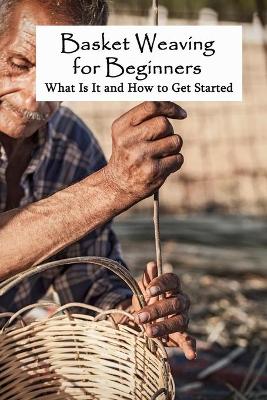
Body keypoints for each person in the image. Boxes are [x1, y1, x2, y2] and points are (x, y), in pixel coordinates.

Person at [0, 0, 196, 359]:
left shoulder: (73, 145)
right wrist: (114, 186)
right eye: (18, 64)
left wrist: (137, 312)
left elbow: (88, 287)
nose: (34, 97)